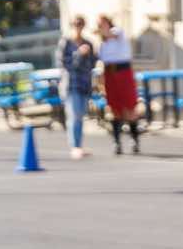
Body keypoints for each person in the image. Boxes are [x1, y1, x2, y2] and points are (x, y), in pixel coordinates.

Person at [96, 14, 143, 154]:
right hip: (110, 74)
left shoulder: (118, 32)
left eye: (102, 24)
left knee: (130, 108)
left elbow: (111, 34)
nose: (101, 27)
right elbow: (102, 63)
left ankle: (134, 140)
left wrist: (102, 32)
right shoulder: (102, 44)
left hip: (123, 72)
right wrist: (101, 83)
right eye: (99, 25)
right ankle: (117, 143)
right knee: (114, 109)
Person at [55, 15, 99, 160]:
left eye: (81, 24)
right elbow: (64, 64)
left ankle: (79, 145)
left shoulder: (88, 43)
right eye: (76, 24)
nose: (78, 27)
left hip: (84, 84)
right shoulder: (65, 43)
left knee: (80, 116)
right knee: (73, 116)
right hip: (70, 85)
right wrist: (79, 54)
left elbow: (92, 65)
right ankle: (75, 147)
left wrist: (92, 53)